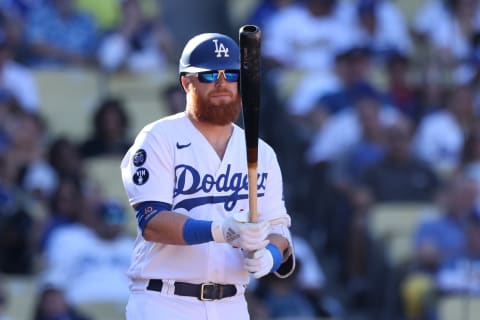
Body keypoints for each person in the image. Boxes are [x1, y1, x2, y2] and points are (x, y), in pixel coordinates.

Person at [120, 32, 295, 320]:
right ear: (186, 82)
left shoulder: (262, 153)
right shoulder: (159, 138)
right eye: (210, 74)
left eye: (231, 74)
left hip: (232, 304)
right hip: (164, 301)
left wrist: (269, 257)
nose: (222, 82)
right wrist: (220, 230)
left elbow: (279, 230)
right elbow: (152, 221)